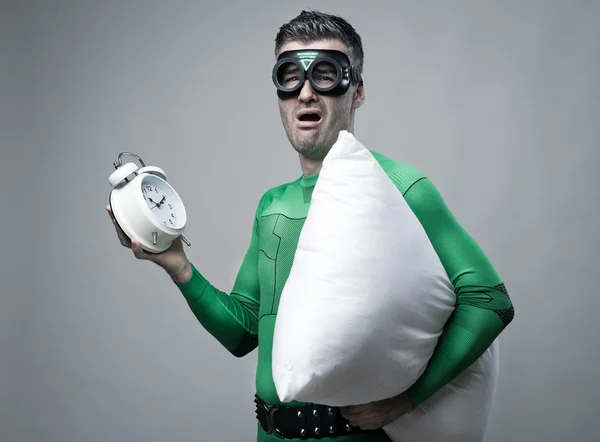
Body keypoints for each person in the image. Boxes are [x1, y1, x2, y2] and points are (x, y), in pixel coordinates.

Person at [107, 10, 515, 442]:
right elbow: (245, 332)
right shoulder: (272, 205)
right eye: (289, 76)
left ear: (356, 93)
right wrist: (178, 266)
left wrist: (406, 401)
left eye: (325, 75)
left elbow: (490, 300)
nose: (305, 93)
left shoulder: (401, 186)